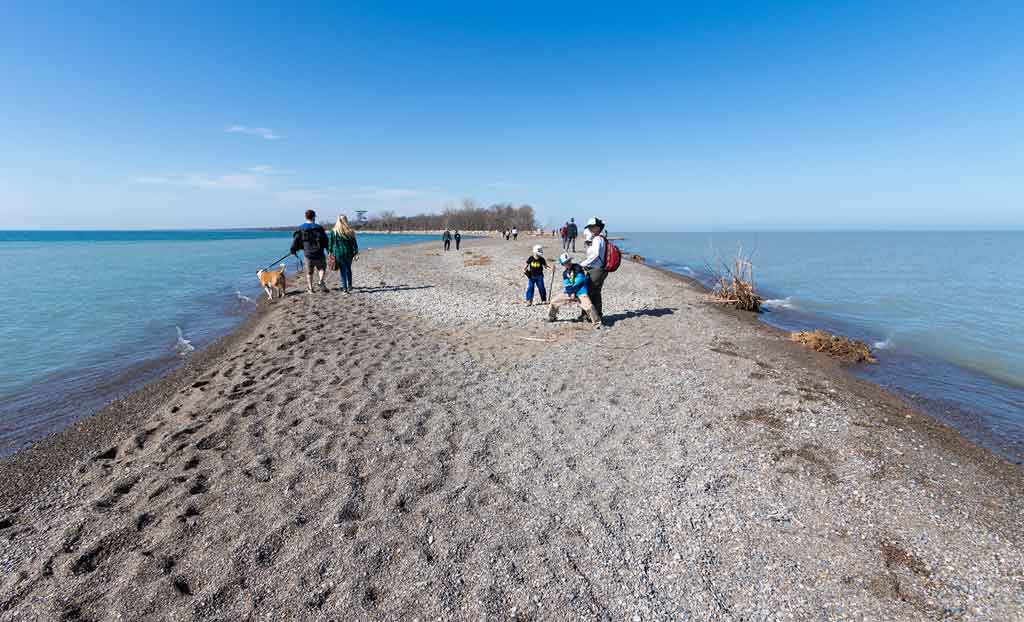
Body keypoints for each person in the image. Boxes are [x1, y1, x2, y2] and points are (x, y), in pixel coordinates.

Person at [547, 253, 600, 327]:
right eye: (565, 262)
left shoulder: (577, 267)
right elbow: (567, 285)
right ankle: (552, 317)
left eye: (569, 261)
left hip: (581, 292)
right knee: (554, 301)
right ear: (563, 264)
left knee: (589, 306)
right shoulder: (565, 273)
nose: (568, 263)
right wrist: (570, 292)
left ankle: (597, 323)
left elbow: (580, 280)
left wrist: (573, 292)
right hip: (570, 293)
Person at [291, 209, 330, 293]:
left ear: (306, 217)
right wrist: (328, 249)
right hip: (319, 252)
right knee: (322, 268)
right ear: (314, 217)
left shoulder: (301, 228)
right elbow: (325, 240)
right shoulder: (319, 228)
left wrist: (293, 250)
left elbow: (296, 240)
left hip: (308, 254)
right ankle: (321, 281)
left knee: (309, 272)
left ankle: (310, 289)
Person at [579, 217, 607, 321]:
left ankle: (589, 315)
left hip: (596, 270)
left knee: (588, 292)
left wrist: (583, 264)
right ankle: (597, 314)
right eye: (589, 227)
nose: (590, 229)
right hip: (599, 269)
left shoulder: (597, 239)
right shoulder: (600, 238)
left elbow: (595, 254)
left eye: (592, 227)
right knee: (595, 293)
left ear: (598, 227)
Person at [328, 214, 359, 293]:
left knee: (343, 271)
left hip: (338, 253)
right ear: (346, 220)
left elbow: (331, 243)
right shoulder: (350, 231)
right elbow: (354, 243)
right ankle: (350, 286)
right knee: (348, 269)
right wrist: (356, 253)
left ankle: (345, 289)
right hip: (349, 253)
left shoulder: (334, 231)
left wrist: (330, 252)